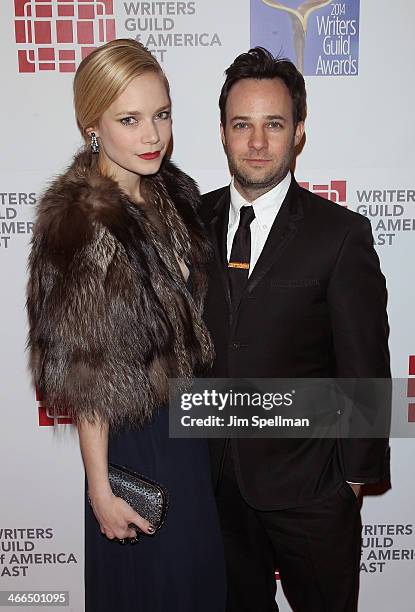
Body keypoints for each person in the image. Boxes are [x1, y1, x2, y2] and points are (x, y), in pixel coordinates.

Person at [26, 39, 226, 612]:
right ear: (93, 124)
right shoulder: (82, 223)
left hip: (188, 435)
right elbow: (89, 378)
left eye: (161, 114)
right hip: (138, 442)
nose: (152, 135)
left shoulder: (169, 194)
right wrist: (100, 487)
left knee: (197, 586)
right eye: (130, 119)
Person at [200, 47, 390, 612]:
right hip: (215, 487)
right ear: (223, 132)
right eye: (243, 125)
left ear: (299, 132)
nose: (257, 143)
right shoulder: (187, 223)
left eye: (274, 125)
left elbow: (364, 362)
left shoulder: (339, 234)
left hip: (312, 488)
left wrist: (351, 481)